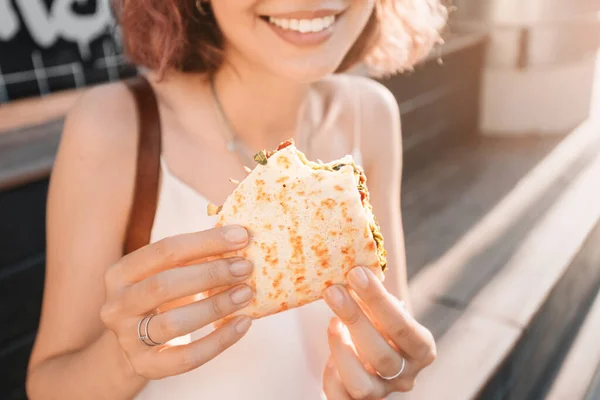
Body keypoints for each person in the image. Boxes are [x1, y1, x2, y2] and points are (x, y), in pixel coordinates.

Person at [26, 0, 447, 399]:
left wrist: (389, 374)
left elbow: (384, 335)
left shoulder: (370, 115)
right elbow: (47, 386)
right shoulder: (113, 125)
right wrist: (125, 358)